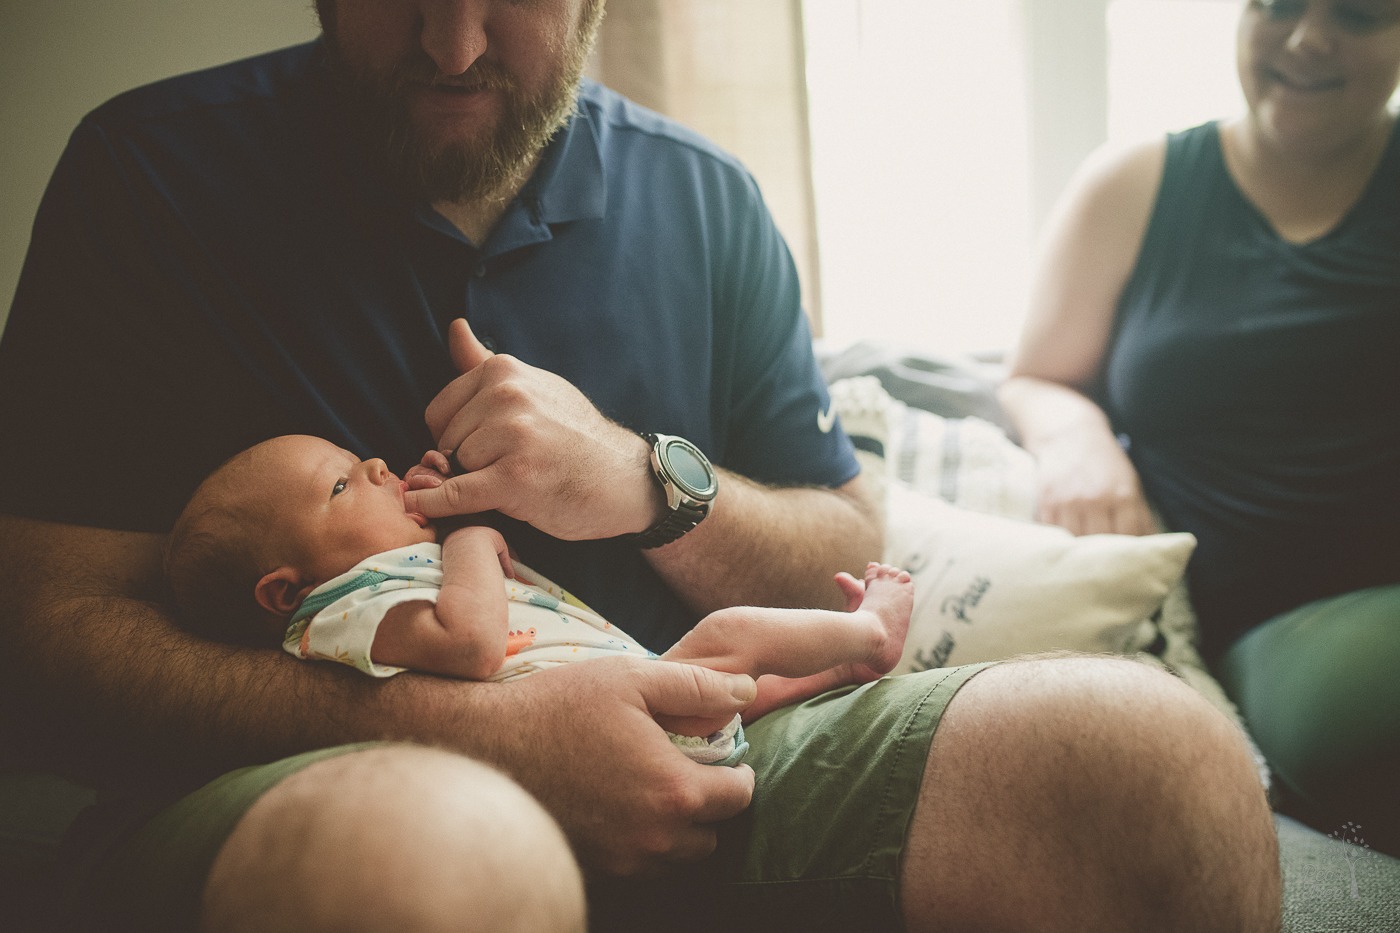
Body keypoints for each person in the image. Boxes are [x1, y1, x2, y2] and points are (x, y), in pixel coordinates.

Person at [0, 1, 1282, 931]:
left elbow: (844, 540)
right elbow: (40, 627)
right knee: (434, 852)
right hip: (310, 784)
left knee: (1158, 759)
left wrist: (651, 482)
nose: (453, 44)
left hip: (712, 746)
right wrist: (478, 737)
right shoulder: (149, 176)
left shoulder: (709, 202)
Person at [1000, 0, 1400, 853]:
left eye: (1360, 16)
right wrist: (1077, 435)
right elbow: (1036, 376)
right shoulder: (1135, 185)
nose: (1307, 39)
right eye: (1280, 5)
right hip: (1270, 621)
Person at [165, 431, 917, 765]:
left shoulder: (389, 579)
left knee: (734, 683)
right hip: (624, 739)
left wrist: (439, 515)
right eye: (338, 485)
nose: (371, 464)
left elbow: (509, 595)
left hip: (635, 696)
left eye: (362, 461)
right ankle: (867, 636)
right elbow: (472, 644)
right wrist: (464, 535)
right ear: (284, 590)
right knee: (727, 634)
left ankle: (831, 673)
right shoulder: (338, 616)